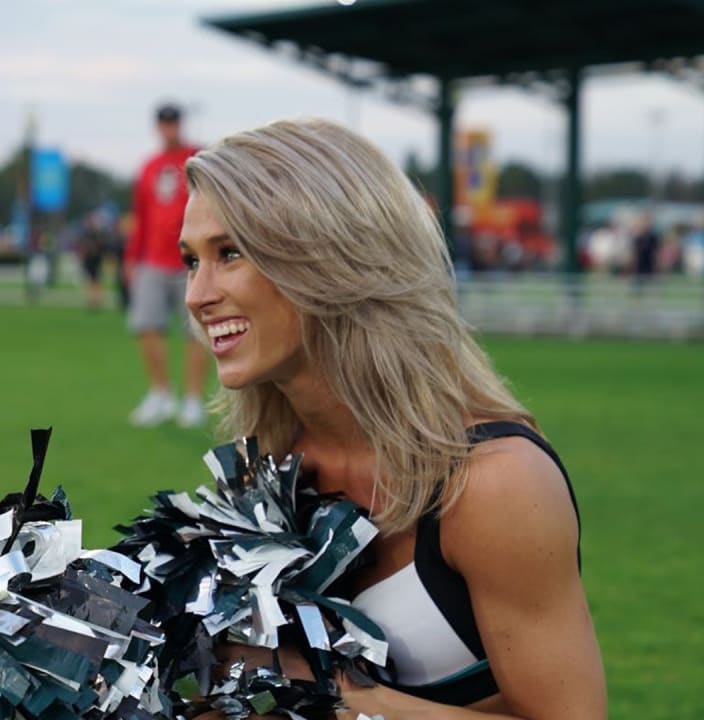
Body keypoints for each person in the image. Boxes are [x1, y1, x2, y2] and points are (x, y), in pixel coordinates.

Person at [178, 119, 605, 718]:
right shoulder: (266, 466)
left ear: (329, 256)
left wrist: (341, 703)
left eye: (230, 253)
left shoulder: (492, 482)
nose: (198, 295)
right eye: (190, 260)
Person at [126, 102, 209, 428]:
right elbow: (141, 216)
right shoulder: (149, 167)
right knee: (146, 325)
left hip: (190, 259)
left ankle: (192, 399)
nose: (169, 129)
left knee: (196, 331)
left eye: (173, 123)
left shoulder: (198, 161)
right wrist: (132, 257)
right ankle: (160, 393)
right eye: (164, 124)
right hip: (153, 259)